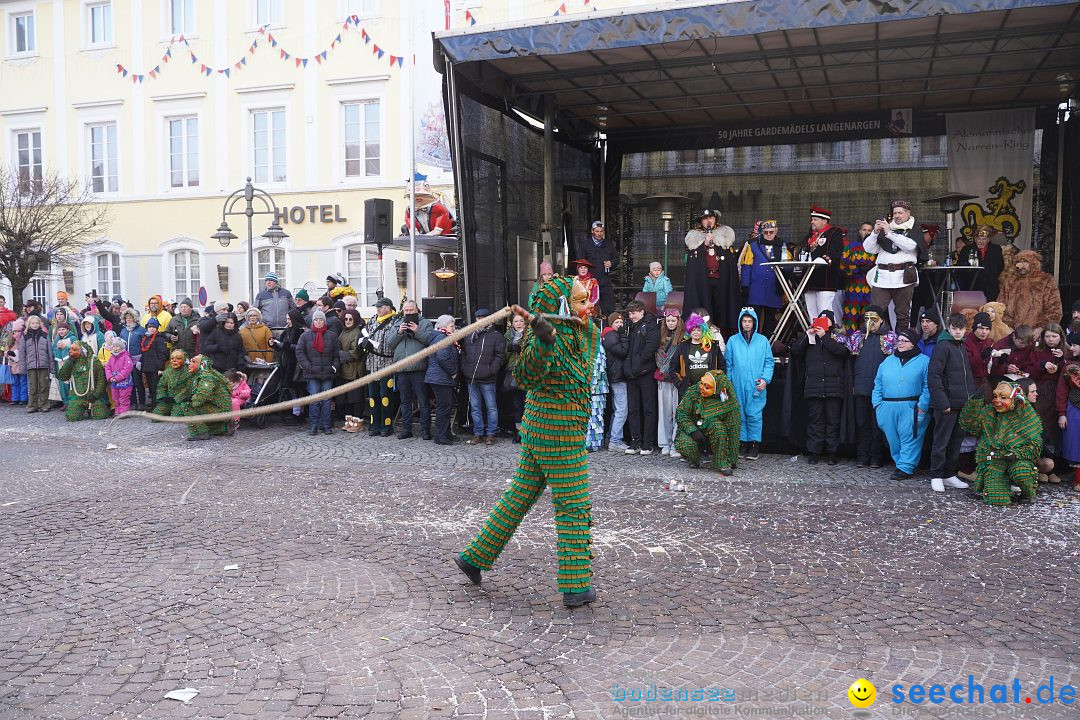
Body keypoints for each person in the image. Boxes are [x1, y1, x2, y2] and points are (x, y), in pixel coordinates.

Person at [454, 276, 601, 608]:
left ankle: (475, 558)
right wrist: (544, 339)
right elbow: (526, 376)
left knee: (519, 496)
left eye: (585, 298)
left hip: (553, 429)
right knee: (573, 507)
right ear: (562, 305)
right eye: (579, 301)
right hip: (556, 433)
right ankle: (576, 585)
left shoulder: (583, 332)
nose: (587, 305)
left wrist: (561, 324)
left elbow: (586, 353)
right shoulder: (541, 339)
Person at [959, 381, 1042, 505]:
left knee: (1022, 472)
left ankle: (1027, 494)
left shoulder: (1026, 415)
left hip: (1017, 460)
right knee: (998, 500)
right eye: (995, 396)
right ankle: (993, 487)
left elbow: (1035, 446)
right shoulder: (988, 413)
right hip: (995, 461)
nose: (997, 400)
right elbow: (970, 426)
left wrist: (1016, 454)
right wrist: (974, 403)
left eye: (1003, 397)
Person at [790, 310, 850, 465]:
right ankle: (814, 452)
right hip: (814, 386)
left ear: (831, 322)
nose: (823, 322)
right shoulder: (810, 338)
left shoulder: (839, 336)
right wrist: (807, 335)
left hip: (834, 387)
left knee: (833, 421)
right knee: (815, 421)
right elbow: (795, 350)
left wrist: (825, 337)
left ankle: (832, 453)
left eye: (826, 320)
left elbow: (842, 351)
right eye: (820, 319)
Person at [927, 313, 976, 493]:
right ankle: (936, 475)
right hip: (946, 404)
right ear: (948, 327)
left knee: (956, 441)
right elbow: (934, 376)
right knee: (941, 441)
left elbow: (967, 377)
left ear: (965, 330)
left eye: (961, 328)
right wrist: (942, 401)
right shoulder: (943, 346)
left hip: (961, 404)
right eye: (954, 328)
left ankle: (949, 474)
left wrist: (970, 401)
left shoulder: (961, 346)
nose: (957, 331)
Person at [873, 329, 931, 480]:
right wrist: (878, 405)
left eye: (904, 341)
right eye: (899, 340)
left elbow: (928, 386)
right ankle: (901, 463)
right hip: (887, 406)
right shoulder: (888, 361)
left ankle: (906, 466)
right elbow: (877, 384)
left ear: (913, 343)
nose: (900, 343)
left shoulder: (924, 361)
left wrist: (922, 406)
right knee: (893, 439)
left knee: (910, 436)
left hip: (911, 405)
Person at [847, 305, 897, 468]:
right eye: (867, 319)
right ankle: (862, 456)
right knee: (862, 424)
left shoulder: (890, 337)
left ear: (882, 319)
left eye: (874, 319)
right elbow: (850, 361)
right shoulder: (857, 336)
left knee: (878, 425)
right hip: (861, 387)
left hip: (881, 389)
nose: (870, 323)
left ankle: (876, 457)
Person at [864, 200, 920, 331]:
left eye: (900, 213)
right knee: (874, 312)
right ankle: (875, 342)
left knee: (903, 314)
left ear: (908, 213)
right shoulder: (885, 229)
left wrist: (890, 233)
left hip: (904, 277)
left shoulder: (914, 229)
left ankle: (900, 342)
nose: (897, 216)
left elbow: (910, 246)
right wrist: (875, 233)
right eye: (895, 213)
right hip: (883, 277)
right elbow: (869, 249)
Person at [726, 307, 774, 462]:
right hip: (737, 384)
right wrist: (729, 383)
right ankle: (742, 443)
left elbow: (769, 362)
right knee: (739, 414)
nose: (747, 324)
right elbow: (729, 364)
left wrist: (765, 380)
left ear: (754, 323)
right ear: (740, 323)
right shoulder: (733, 341)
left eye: (749, 321)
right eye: (744, 321)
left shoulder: (763, 341)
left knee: (754, 414)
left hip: (756, 383)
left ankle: (754, 444)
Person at [673, 371, 741, 474]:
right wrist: (692, 430)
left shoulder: (726, 398)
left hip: (712, 426)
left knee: (719, 430)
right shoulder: (693, 393)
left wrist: (732, 458)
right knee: (686, 445)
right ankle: (694, 458)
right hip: (693, 427)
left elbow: (733, 428)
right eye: (701, 383)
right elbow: (681, 413)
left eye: (707, 387)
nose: (701, 387)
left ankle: (722, 462)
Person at [684, 209, 740, 333]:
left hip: (721, 280)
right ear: (701, 221)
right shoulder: (695, 237)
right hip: (703, 281)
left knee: (722, 308)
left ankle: (722, 338)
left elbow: (729, 263)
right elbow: (694, 263)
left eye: (711, 218)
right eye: (705, 218)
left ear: (715, 219)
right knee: (704, 309)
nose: (708, 221)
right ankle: (704, 334)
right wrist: (705, 243)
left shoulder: (724, 237)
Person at [386, 299, 434, 440]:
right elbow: (390, 343)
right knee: (405, 401)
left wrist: (417, 331)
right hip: (402, 368)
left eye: (411, 310)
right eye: (406, 310)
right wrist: (399, 332)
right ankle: (407, 429)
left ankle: (425, 430)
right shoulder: (397, 323)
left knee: (423, 401)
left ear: (417, 310)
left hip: (419, 367)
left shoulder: (425, 323)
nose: (408, 313)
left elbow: (430, 341)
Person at [461, 308, 505, 445]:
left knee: (491, 407)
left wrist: (491, 370)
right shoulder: (469, 335)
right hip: (471, 377)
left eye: (483, 318)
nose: (480, 320)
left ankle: (491, 433)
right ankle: (478, 433)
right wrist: (465, 368)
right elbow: (463, 354)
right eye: (478, 318)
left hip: (488, 378)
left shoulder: (496, 336)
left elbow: (500, 356)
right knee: (475, 407)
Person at [738, 220, 789, 336]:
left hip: (773, 288)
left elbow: (788, 265)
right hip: (756, 289)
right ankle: (750, 343)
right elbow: (746, 266)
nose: (769, 234)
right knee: (752, 319)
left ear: (776, 232)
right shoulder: (753, 244)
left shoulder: (783, 245)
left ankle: (766, 345)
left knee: (770, 321)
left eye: (771, 232)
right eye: (766, 232)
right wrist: (745, 285)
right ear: (762, 232)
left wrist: (783, 284)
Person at [622, 299, 660, 455]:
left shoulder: (651, 325)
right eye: (630, 313)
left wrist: (639, 362)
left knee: (648, 409)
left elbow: (651, 347)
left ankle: (647, 442)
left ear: (642, 312)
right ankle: (635, 440)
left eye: (634, 313)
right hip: (631, 373)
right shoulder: (628, 326)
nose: (632, 316)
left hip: (645, 372)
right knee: (633, 409)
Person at [296, 309, 340, 436]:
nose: (318, 322)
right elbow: (300, 352)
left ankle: (326, 425)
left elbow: (337, 355)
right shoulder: (305, 336)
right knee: (314, 399)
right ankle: (314, 425)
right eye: (316, 319)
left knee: (327, 400)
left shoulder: (332, 336)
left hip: (327, 372)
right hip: (312, 373)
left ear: (324, 321)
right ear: (313, 321)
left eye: (321, 319)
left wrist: (334, 367)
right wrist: (308, 367)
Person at [799, 205, 845, 323]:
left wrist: (825, 259)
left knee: (824, 312)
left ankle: (825, 340)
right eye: (812, 219)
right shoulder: (810, 236)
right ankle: (814, 341)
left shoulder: (834, 232)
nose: (812, 222)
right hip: (810, 280)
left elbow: (836, 250)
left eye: (815, 219)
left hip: (825, 279)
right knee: (812, 313)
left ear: (824, 221)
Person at [997, 250, 1062, 331]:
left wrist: (1041, 328)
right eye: (1019, 261)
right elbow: (1000, 307)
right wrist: (1008, 327)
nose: (1021, 265)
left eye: (1025, 261)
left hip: (1037, 334)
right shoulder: (1010, 282)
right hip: (1013, 333)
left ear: (1033, 263)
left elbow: (1054, 309)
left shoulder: (1046, 281)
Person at [363, 297, 399, 437]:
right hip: (372, 363)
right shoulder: (372, 320)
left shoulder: (395, 321)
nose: (378, 309)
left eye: (381, 307)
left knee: (386, 396)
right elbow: (364, 333)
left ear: (388, 308)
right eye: (377, 307)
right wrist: (364, 342)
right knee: (373, 396)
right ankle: (374, 425)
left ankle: (387, 425)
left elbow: (392, 342)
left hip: (386, 364)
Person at [426, 315, 461, 446]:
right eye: (452, 326)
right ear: (444, 327)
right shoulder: (442, 338)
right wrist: (453, 372)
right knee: (443, 408)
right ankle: (440, 436)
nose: (454, 328)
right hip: (441, 378)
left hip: (439, 377)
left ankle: (445, 433)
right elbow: (443, 357)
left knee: (446, 406)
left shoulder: (440, 336)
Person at [671, 313, 726, 394]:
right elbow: (673, 367)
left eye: (699, 329)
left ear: (703, 330)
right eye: (693, 329)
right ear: (689, 330)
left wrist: (716, 383)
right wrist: (680, 384)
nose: (696, 332)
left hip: (709, 390)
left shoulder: (713, 346)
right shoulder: (683, 346)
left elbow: (722, 366)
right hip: (688, 391)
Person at [655, 309, 684, 458]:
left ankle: (675, 443)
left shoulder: (683, 338)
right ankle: (664, 443)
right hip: (663, 379)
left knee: (677, 412)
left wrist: (670, 370)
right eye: (668, 321)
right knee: (664, 413)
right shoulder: (661, 338)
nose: (671, 323)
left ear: (678, 321)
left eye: (673, 320)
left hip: (677, 379)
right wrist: (664, 369)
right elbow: (658, 356)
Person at [184, 355, 234, 441]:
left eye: (193, 362)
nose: (189, 364)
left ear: (202, 364)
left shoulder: (206, 377)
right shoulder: (201, 375)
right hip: (219, 408)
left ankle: (201, 433)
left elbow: (200, 397)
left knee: (187, 405)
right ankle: (224, 427)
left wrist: (189, 401)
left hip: (221, 411)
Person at [56, 341, 109, 421]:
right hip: (77, 397)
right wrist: (69, 362)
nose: (71, 351)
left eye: (74, 350)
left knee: (100, 415)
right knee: (72, 417)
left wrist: (95, 395)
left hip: (93, 396)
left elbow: (101, 380)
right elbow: (62, 377)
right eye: (70, 349)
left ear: (82, 350)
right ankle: (81, 408)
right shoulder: (72, 362)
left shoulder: (94, 361)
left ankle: (91, 408)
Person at [839, 221, 877, 332]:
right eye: (864, 230)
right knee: (850, 316)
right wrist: (856, 269)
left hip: (871, 288)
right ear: (860, 231)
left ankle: (866, 342)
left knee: (869, 317)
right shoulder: (851, 247)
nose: (867, 232)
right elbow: (842, 265)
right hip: (854, 287)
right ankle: (851, 343)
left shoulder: (876, 249)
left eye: (870, 230)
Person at [577, 220, 619, 315]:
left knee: (609, 307)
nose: (599, 234)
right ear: (592, 231)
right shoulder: (585, 245)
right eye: (597, 231)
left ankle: (608, 328)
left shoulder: (608, 244)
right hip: (590, 281)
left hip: (605, 280)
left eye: (601, 231)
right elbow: (580, 262)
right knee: (590, 308)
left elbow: (616, 258)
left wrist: (611, 263)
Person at [601, 312, 629, 452]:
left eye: (621, 322)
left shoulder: (608, 334)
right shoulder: (611, 335)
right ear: (611, 324)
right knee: (621, 409)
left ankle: (611, 438)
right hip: (618, 375)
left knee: (617, 409)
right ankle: (615, 441)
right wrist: (624, 336)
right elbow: (623, 352)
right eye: (617, 322)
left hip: (616, 375)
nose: (620, 325)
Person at [335, 309, 367, 427]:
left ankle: (358, 421)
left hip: (354, 370)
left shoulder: (357, 332)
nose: (348, 321)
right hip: (344, 370)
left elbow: (355, 353)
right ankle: (349, 421)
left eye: (350, 319)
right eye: (346, 319)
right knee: (345, 398)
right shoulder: (343, 331)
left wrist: (339, 354)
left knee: (356, 398)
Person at [956, 225, 1004, 301]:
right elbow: (960, 268)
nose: (981, 241)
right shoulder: (967, 249)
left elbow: (1000, 266)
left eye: (984, 239)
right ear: (975, 239)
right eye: (978, 239)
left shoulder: (996, 249)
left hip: (991, 287)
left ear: (988, 240)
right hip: (972, 287)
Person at [17, 314, 52, 413]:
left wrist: (51, 366)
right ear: (29, 324)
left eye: (37, 323)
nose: (35, 325)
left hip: (43, 365)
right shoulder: (25, 336)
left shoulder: (45, 335)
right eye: (33, 323)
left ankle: (44, 404)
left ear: (40, 324)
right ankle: (32, 405)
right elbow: (22, 353)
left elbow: (49, 351)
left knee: (44, 386)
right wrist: (22, 368)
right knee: (32, 386)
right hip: (31, 365)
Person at [503, 314, 527, 443]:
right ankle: (518, 431)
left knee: (527, 404)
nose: (518, 323)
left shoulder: (530, 335)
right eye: (516, 321)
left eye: (521, 321)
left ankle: (528, 432)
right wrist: (508, 349)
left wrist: (521, 349)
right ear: (512, 323)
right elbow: (503, 357)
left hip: (527, 373)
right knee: (517, 405)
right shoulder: (508, 336)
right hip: (512, 372)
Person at [1057, 362, 1080, 492]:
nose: (1071, 348)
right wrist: (1062, 413)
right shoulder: (1070, 366)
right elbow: (1062, 391)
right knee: (1076, 445)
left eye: (1075, 345)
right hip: (1075, 407)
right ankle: (1078, 480)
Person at [139, 319, 170, 408]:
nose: (152, 329)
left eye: (154, 327)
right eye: (150, 327)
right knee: (150, 387)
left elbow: (163, 354)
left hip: (156, 368)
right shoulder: (145, 338)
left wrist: (161, 368)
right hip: (147, 366)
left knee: (156, 387)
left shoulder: (160, 339)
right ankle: (153, 402)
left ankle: (157, 405)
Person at [153, 349, 193, 418]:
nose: (174, 361)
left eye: (178, 358)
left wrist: (177, 398)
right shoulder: (168, 371)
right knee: (155, 415)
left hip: (181, 401)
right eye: (172, 358)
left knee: (175, 417)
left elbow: (189, 388)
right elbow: (162, 385)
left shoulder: (188, 372)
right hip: (168, 399)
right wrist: (163, 396)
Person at [964, 312, 996, 396]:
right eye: (981, 328)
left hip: (986, 383)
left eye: (987, 329)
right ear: (974, 328)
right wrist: (980, 357)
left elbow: (993, 368)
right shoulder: (966, 342)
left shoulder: (990, 342)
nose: (984, 332)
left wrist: (1001, 362)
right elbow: (966, 364)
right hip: (969, 383)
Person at [585, 340, 609, 452]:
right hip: (590, 387)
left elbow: (597, 369)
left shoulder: (596, 347)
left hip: (595, 387)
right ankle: (589, 442)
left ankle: (594, 443)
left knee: (595, 415)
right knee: (592, 415)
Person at [104, 335, 135, 415]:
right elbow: (108, 367)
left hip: (124, 382)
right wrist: (110, 377)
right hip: (114, 382)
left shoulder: (126, 358)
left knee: (124, 398)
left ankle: (124, 412)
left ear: (121, 347)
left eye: (117, 346)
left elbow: (126, 370)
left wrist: (118, 377)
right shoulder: (112, 357)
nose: (115, 348)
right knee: (115, 398)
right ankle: (117, 412)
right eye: (114, 346)